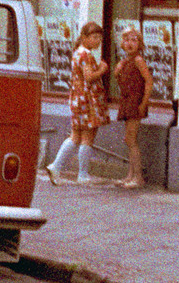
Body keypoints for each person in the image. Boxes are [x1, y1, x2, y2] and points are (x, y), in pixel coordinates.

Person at [45, 22, 108, 184]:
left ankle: (56, 166)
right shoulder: (85, 54)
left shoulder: (77, 53)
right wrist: (102, 69)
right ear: (85, 37)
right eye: (94, 37)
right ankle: (82, 174)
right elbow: (88, 77)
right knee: (87, 136)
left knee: (76, 135)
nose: (98, 41)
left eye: (99, 38)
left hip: (77, 99)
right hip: (87, 99)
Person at [112, 27, 153, 189]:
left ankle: (138, 177)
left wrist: (143, 103)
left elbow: (148, 81)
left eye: (134, 40)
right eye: (127, 40)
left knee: (131, 139)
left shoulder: (138, 60)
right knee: (129, 139)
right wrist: (117, 71)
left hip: (136, 102)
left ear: (140, 44)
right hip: (127, 101)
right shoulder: (125, 61)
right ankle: (130, 176)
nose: (129, 43)